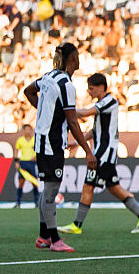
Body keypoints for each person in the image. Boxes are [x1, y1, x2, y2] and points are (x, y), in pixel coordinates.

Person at [22, 42, 98, 253]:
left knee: (47, 189)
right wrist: (88, 151)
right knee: (51, 190)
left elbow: (28, 91)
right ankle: (54, 239)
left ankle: (43, 236)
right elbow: (73, 123)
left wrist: (45, 111)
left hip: (42, 139)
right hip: (52, 142)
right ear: (73, 59)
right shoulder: (66, 84)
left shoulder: (48, 76)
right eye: (78, 56)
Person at [59, 73, 139, 235]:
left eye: (91, 88)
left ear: (101, 87)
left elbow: (85, 112)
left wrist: (64, 110)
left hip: (103, 153)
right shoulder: (102, 104)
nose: (89, 92)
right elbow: (95, 131)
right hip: (103, 152)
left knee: (89, 186)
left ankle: (77, 225)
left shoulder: (109, 101)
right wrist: (76, 143)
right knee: (113, 188)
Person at [14, 124, 40, 208]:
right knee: (21, 183)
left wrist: (35, 156)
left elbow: (39, 149)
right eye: (26, 129)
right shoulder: (20, 140)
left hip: (32, 163)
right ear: (23, 131)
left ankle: (36, 202)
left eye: (29, 129)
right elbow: (16, 150)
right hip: (23, 163)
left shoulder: (34, 140)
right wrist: (16, 162)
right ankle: (18, 202)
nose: (27, 131)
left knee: (34, 182)